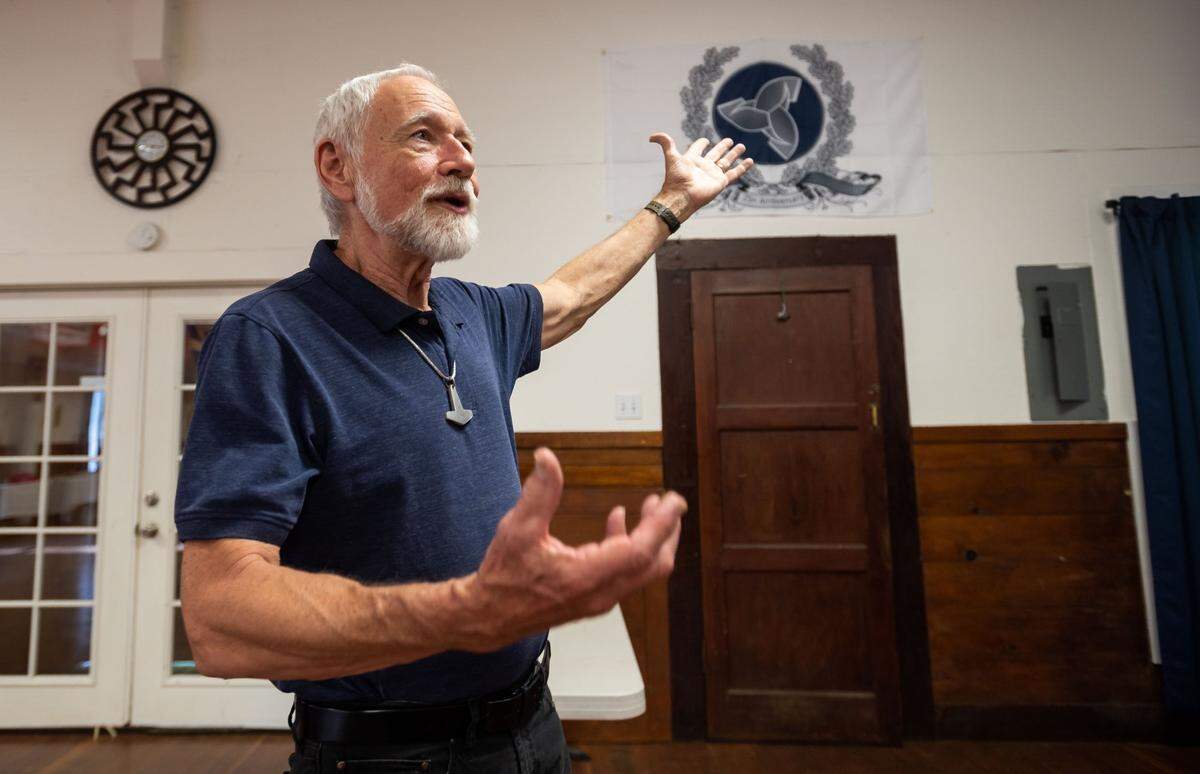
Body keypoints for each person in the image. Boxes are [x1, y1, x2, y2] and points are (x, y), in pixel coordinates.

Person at [175, 63, 753, 774]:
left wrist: (671, 205)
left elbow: (571, 293)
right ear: (338, 166)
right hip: (389, 756)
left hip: (532, 724)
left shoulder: (470, 313)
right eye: (424, 137)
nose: (463, 161)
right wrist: (460, 613)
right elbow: (219, 619)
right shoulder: (269, 337)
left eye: (467, 143)